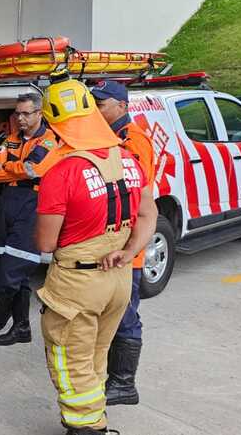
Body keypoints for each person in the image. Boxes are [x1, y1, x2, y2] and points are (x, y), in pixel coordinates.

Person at [34, 75, 156, 435]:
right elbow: (149, 214)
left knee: (70, 361)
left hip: (77, 283)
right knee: (95, 357)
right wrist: (128, 250)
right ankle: (95, 418)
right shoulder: (129, 159)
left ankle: (88, 428)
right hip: (117, 278)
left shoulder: (61, 171)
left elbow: (46, 243)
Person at [91, 80, 155, 406]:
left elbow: (136, 196)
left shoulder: (133, 141)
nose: (96, 109)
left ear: (121, 106)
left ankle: (124, 384)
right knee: (111, 310)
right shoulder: (107, 138)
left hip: (128, 242)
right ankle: (111, 376)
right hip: (110, 239)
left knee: (125, 313)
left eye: (101, 104)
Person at [0, 92, 63, 346]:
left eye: (26, 113)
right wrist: (17, 170)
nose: (20, 118)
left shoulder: (50, 141)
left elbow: (35, 169)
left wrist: (10, 168)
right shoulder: (10, 140)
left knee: (10, 274)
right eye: (17, 113)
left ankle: (3, 313)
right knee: (5, 267)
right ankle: (21, 328)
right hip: (7, 204)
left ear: (39, 114)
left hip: (32, 206)